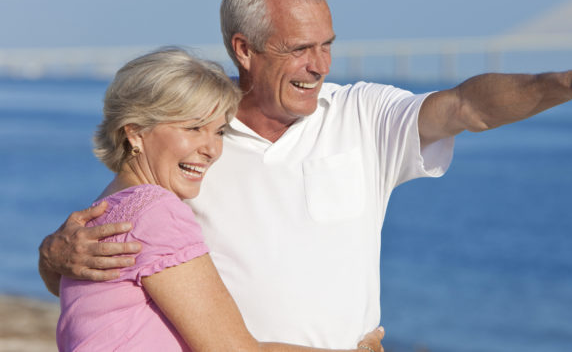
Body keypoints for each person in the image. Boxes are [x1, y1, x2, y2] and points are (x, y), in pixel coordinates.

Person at [39, 0, 572, 349]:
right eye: (301, 48)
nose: (321, 66)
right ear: (244, 49)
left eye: (329, 46)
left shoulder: (362, 116)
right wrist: (52, 255)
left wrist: (567, 80)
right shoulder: (195, 138)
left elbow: (469, 106)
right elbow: (121, 253)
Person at [54, 47, 385, 352]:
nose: (212, 149)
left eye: (219, 131)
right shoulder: (154, 212)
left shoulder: (104, 210)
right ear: (135, 132)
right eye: (194, 128)